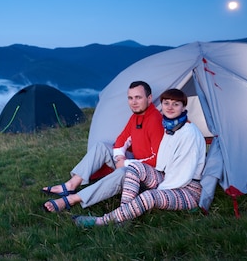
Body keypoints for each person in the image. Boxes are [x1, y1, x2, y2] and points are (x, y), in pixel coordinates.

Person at [73, 88, 206, 227]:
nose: (170, 107)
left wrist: (158, 190)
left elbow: (183, 174)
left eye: (176, 104)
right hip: (167, 178)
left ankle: (102, 221)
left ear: (183, 107)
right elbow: (163, 162)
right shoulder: (171, 128)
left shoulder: (189, 134)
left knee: (149, 197)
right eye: (166, 103)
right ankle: (124, 218)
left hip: (187, 190)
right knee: (133, 167)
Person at [43, 81, 164, 213]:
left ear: (149, 98)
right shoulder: (136, 117)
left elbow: (157, 161)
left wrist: (126, 163)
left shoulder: (155, 120)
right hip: (137, 163)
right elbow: (121, 139)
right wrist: (120, 157)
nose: (133, 102)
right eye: (130, 98)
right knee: (102, 147)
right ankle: (70, 185)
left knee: (122, 173)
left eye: (138, 97)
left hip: (149, 175)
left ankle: (72, 199)